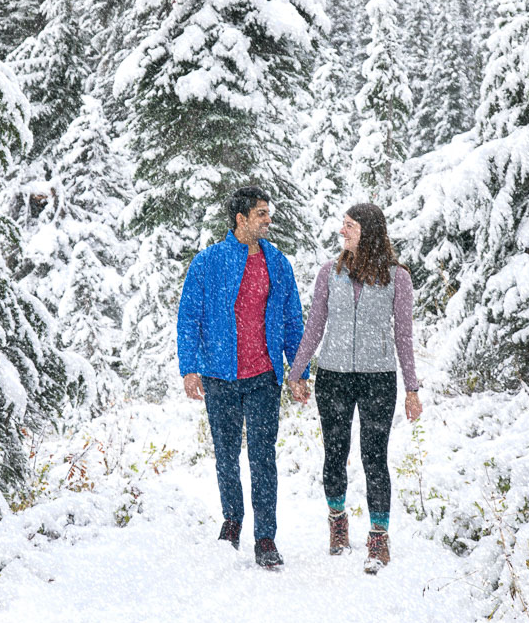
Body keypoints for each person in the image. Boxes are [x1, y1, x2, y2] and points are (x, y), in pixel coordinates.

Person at [177, 186, 308, 569]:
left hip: (263, 376)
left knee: (263, 458)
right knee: (227, 455)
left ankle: (265, 537)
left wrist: (298, 370)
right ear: (241, 219)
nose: (268, 219)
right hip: (221, 375)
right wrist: (190, 367)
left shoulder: (277, 262)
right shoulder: (209, 262)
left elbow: (291, 320)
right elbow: (189, 317)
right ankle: (232, 520)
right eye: (261, 214)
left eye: (268, 213)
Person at [288, 202, 422, 575]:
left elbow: (404, 336)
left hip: (379, 376)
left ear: (369, 231)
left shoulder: (398, 278)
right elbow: (314, 325)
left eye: (349, 226)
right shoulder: (329, 273)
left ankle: (378, 535)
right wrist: (297, 373)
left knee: (374, 456)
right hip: (333, 375)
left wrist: (412, 388)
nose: (342, 231)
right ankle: (337, 520)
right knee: (335, 451)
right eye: (342, 225)